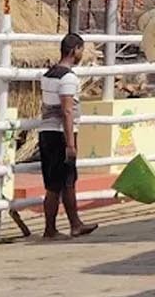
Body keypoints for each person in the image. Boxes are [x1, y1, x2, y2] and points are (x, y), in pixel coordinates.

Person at [39, 32, 99, 239]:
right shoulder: (68, 78)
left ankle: (51, 228)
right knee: (67, 181)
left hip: (46, 132)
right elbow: (67, 111)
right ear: (75, 50)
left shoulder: (48, 75)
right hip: (61, 133)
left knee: (52, 184)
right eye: (81, 50)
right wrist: (70, 144)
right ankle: (74, 224)